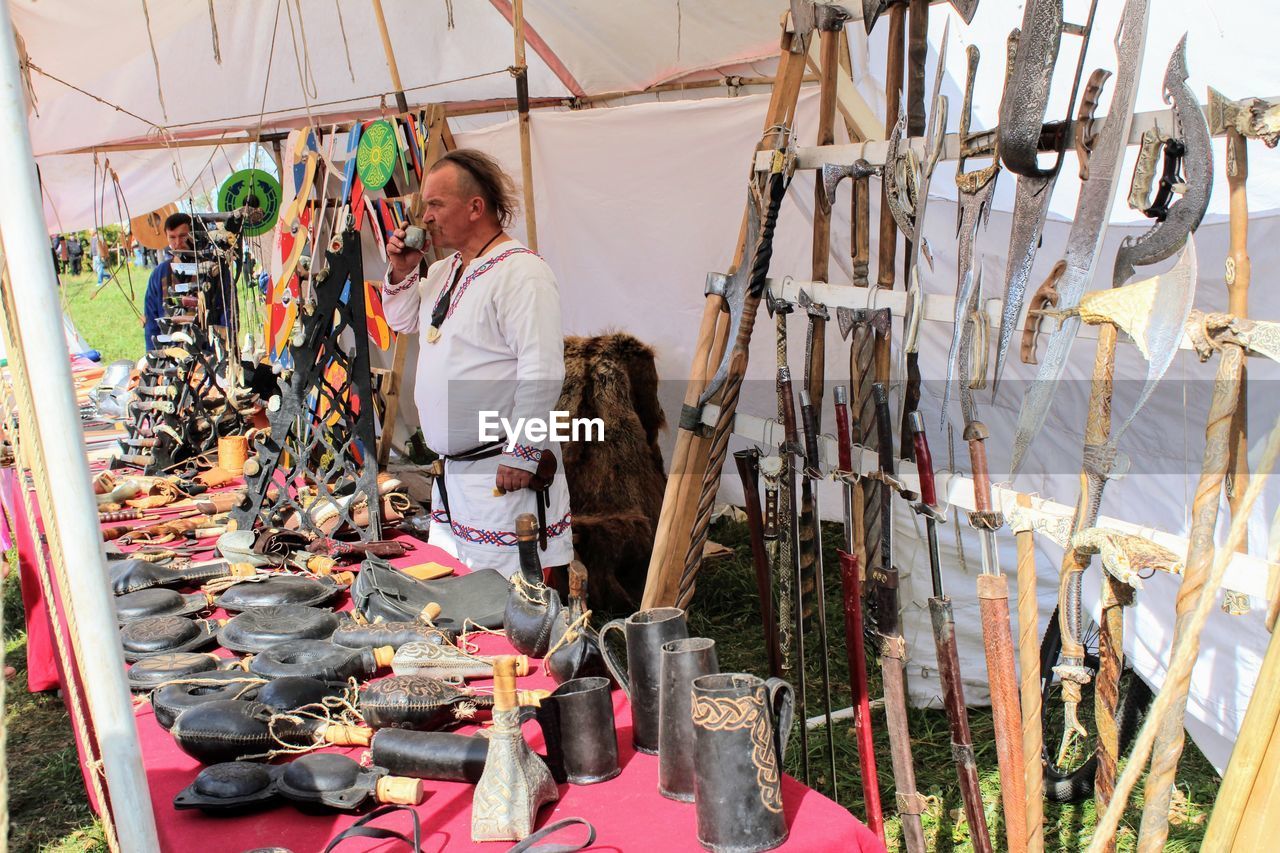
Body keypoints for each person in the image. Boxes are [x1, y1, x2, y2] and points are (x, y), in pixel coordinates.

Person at [382, 149, 572, 577]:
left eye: (435, 204)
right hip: (457, 482)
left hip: (502, 478)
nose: (424, 217)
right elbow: (402, 319)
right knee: (464, 602)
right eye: (425, 205)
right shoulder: (447, 269)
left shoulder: (522, 273)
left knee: (513, 607)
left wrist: (522, 456)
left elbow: (542, 370)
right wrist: (401, 271)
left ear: (474, 207)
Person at [143, 212, 229, 350]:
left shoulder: (214, 269)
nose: (178, 243)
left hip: (209, 348)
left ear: (193, 235)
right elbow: (151, 321)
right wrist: (152, 354)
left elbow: (227, 312)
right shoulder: (159, 274)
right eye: (172, 237)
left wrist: (223, 346)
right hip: (171, 350)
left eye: (183, 236)